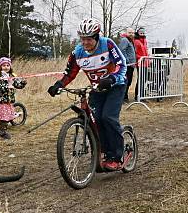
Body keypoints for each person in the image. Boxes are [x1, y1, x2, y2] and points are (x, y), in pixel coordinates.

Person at [47, 18, 128, 171]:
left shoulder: (108, 44)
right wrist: (58, 85)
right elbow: (70, 73)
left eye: (89, 39)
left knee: (108, 117)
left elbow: (121, 65)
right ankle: (103, 151)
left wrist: (111, 78)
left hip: (116, 85)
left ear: (97, 37)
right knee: (95, 120)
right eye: (82, 39)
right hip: (97, 88)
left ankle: (117, 156)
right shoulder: (77, 52)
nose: (85, 42)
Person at [0, 57, 27, 140]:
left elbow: (17, 85)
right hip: (2, 100)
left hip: (9, 100)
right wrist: (7, 87)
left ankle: (2, 131)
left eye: (8, 65)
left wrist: (23, 83)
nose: (6, 67)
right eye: (4, 65)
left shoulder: (11, 76)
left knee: (7, 116)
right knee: (4, 117)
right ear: (0, 66)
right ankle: (2, 132)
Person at [117, 28, 137, 101]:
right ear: (126, 33)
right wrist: (128, 61)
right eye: (129, 33)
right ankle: (123, 97)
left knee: (129, 81)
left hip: (131, 65)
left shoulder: (130, 41)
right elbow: (122, 50)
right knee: (126, 81)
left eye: (132, 33)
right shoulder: (124, 40)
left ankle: (125, 97)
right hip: (127, 65)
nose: (131, 34)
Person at [133, 27, 149, 98]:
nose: (142, 34)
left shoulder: (145, 41)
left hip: (146, 63)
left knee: (145, 79)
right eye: (141, 33)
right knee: (140, 80)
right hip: (140, 63)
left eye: (143, 33)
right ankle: (138, 95)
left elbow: (146, 51)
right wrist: (141, 58)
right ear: (138, 33)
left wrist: (148, 58)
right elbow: (135, 53)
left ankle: (142, 94)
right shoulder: (136, 41)